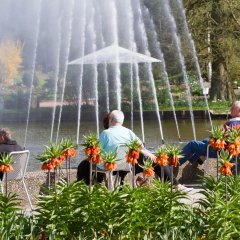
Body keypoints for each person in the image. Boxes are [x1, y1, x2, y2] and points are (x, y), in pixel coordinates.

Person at [90, 110, 192, 191]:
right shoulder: (128, 132)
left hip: (109, 165)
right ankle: (176, 185)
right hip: (128, 165)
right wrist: (150, 155)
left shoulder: (105, 133)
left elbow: (97, 151)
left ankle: (92, 186)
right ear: (122, 121)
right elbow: (140, 146)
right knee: (156, 161)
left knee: (88, 164)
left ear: (110, 120)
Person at [179, 101, 240, 166]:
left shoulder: (231, 124)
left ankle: (175, 163)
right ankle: (196, 161)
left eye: (233, 108)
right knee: (206, 140)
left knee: (192, 144)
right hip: (236, 155)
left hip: (225, 154)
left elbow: (220, 140)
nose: (230, 109)